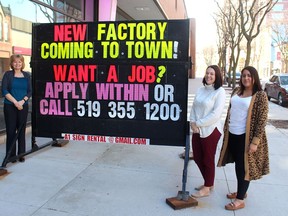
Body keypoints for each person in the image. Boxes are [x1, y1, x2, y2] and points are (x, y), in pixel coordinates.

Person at [217, 66, 269, 211]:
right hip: (233, 134)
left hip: (246, 138)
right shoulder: (237, 91)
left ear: (254, 78)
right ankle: (242, 191)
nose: (246, 78)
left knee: (244, 168)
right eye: (244, 75)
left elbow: (262, 119)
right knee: (238, 165)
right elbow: (231, 111)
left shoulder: (259, 95)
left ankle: (239, 199)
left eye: (249, 76)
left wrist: (255, 142)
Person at [189, 65, 226, 198]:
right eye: (207, 73)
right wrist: (193, 123)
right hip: (197, 130)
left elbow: (216, 114)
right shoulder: (200, 89)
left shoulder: (220, 92)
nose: (209, 76)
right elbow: (193, 108)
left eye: (212, 74)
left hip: (211, 130)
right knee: (198, 157)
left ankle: (207, 187)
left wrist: (198, 123)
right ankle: (209, 182)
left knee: (208, 159)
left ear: (216, 77)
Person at [1, 54, 32, 163]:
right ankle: (11, 155)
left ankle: (21, 154)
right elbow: (4, 90)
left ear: (22, 63)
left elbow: (30, 91)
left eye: (19, 62)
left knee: (21, 131)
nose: (17, 64)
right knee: (10, 131)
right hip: (10, 106)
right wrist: (15, 102)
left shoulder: (27, 75)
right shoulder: (7, 75)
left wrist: (22, 101)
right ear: (12, 63)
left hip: (23, 106)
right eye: (15, 62)